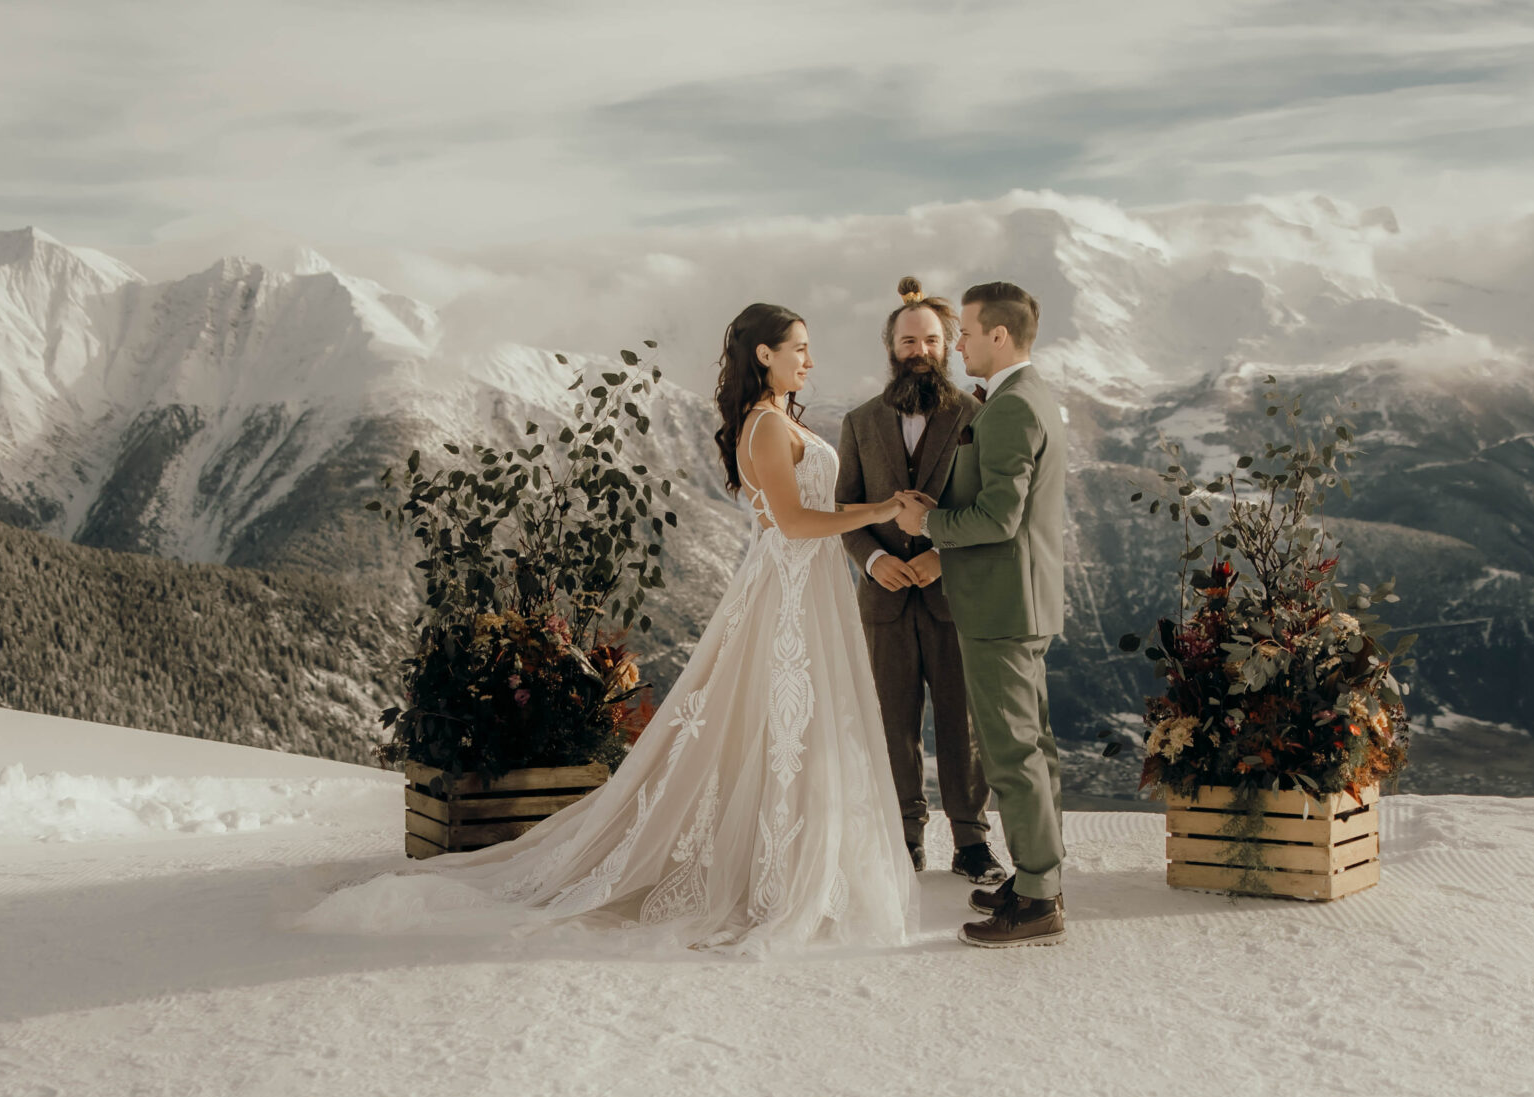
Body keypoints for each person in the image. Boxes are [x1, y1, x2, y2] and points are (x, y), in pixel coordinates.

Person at [358, 303, 921, 955]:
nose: (810, 359)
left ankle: (801, 864)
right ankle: (775, 875)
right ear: (763, 354)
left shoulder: (776, 421)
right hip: (789, 599)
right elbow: (792, 524)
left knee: (798, 730)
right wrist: (881, 508)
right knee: (783, 728)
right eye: (799, 347)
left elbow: (813, 509)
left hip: (809, 590)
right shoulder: (765, 426)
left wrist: (885, 511)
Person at [896, 280, 1069, 949]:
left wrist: (927, 520)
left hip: (1001, 602)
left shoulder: (1009, 409)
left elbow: (1000, 517)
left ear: (1000, 335)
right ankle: (1038, 878)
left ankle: (1037, 901)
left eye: (965, 331)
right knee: (1036, 747)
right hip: (1020, 599)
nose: (957, 343)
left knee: (1011, 753)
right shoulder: (1032, 397)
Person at [835, 278, 1003, 882]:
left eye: (931, 340)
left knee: (964, 723)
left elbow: (992, 509)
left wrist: (943, 558)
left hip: (954, 596)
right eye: (909, 340)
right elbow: (844, 511)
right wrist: (876, 562)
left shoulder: (979, 417)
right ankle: (903, 836)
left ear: (948, 343)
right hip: (882, 599)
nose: (920, 350)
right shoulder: (858, 423)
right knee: (891, 722)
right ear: (892, 346)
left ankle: (971, 840)